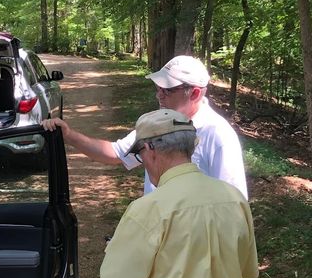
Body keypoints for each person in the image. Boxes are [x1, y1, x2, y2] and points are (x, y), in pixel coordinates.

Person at [99, 109, 259, 278]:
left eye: (140, 155)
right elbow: (246, 269)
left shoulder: (149, 209)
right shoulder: (233, 199)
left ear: (151, 149)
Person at [42, 55, 248, 199]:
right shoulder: (159, 123)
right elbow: (115, 153)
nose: (159, 95)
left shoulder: (217, 135)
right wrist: (69, 135)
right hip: (159, 236)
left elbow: (233, 203)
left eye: (167, 90)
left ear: (194, 93)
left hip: (194, 249)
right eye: (157, 88)